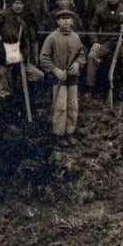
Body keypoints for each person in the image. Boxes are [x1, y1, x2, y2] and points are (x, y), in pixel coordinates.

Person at [0, 0, 44, 101]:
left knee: (38, 75)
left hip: (17, 59)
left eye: (21, 4)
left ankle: (26, 99)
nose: (19, 6)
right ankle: (4, 109)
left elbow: (24, 42)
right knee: (5, 90)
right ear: (11, 4)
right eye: (16, 3)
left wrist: (24, 58)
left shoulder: (22, 22)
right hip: (2, 58)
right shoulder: (3, 16)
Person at [40, 9, 87, 145]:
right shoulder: (52, 38)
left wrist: (78, 63)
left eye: (68, 18)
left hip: (73, 78)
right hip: (58, 79)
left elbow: (81, 54)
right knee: (61, 105)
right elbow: (44, 58)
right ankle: (58, 133)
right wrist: (55, 70)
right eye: (62, 19)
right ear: (57, 21)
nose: (66, 21)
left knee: (73, 105)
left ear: (72, 21)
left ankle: (70, 132)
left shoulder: (76, 37)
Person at [86, 0, 123, 98]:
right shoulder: (100, 10)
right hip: (106, 43)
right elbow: (93, 28)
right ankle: (90, 87)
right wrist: (95, 42)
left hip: (122, 43)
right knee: (92, 55)